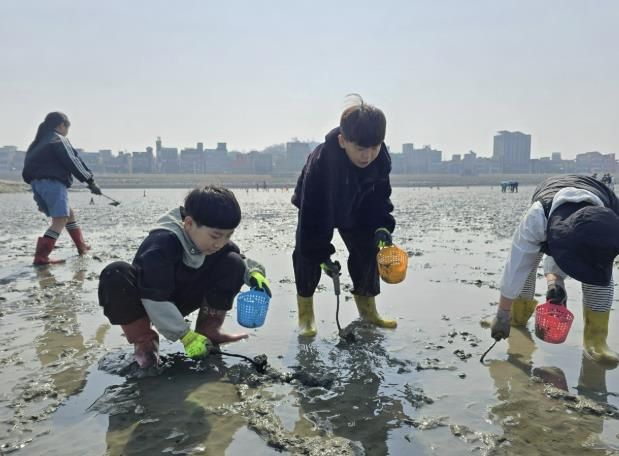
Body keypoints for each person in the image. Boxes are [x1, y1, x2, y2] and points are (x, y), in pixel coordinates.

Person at [97, 185, 271, 368]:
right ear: (188, 224)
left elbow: (240, 259)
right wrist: (185, 336)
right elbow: (155, 299)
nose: (220, 243)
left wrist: (254, 273)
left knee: (233, 262)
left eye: (228, 236)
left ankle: (208, 330)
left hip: (179, 297)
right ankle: (145, 342)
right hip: (148, 300)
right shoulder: (161, 245)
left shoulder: (214, 243)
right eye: (215, 236)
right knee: (115, 273)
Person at [291, 95, 397, 337]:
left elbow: (380, 198)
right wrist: (321, 255)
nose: (367, 156)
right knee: (306, 255)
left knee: (368, 250)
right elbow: (313, 216)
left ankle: (368, 311)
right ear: (342, 141)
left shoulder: (381, 160)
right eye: (360, 149)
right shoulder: (321, 163)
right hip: (320, 207)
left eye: (374, 148)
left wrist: (382, 227)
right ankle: (306, 316)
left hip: (358, 207)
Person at [490, 174, 619, 365]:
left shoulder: (613, 220)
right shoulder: (536, 219)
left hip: (598, 206)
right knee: (528, 265)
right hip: (550, 202)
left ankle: (596, 340)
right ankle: (517, 317)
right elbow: (516, 268)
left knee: (597, 273)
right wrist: (502, 313)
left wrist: (555, 283)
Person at [22, 112, 102, 265]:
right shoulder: (58, 139)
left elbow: (28, 167)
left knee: (68, 214)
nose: (67, 131)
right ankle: (41, 257)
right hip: (53, 183)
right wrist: (90, 181)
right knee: (60, 219)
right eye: (67, 127)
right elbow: (73, 161)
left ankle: (82, 247)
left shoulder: (37, 143)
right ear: (61, 125)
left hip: (36, 184)